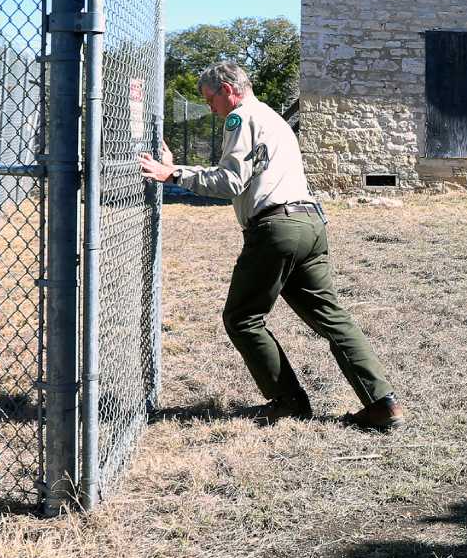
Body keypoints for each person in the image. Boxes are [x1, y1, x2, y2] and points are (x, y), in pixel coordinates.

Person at [137, 61, 402, 430]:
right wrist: (178, 167)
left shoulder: (240, 118)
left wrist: (175, 173)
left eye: (210, 99)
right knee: (333, 319)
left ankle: (289, 402)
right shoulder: (272, 118)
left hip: (276, 229)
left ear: (228, 90)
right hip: (310, 224)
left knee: (242, 318)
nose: (211, 108)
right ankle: (381, 402)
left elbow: (230, 181)